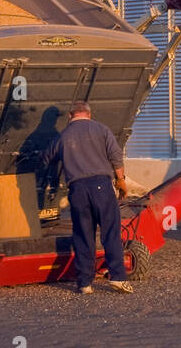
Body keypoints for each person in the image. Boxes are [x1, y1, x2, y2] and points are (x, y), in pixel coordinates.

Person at [43, 101, 132, 294]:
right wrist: (121, 180)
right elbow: (116, 156)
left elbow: (46, 158)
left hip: (77, 190)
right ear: (89, 114)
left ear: (70, 116)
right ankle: (117, 278)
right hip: (101, 186)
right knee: (110, 232)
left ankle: (85, 283)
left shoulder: (63, 136)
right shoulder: (101, 129)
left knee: (83, 236)